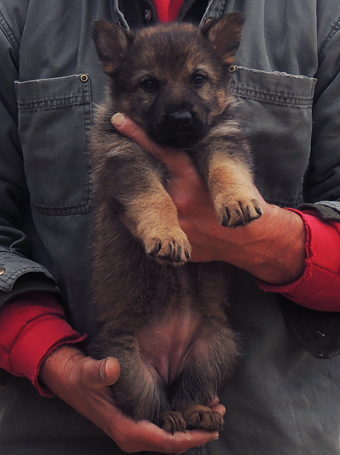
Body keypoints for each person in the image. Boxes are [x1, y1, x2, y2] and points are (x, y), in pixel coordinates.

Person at [1, 0, 340, 454]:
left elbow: (227, 154)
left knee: (217, 348)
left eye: (199, 80)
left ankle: (192, 404)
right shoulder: (19, 16)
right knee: (132, 373)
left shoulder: (320, 16)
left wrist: (265, 241)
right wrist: (49, 357)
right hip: (70, 424)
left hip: (274, 431)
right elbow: (129, 179)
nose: (179, 107)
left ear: (223, 63)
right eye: (149, 86)